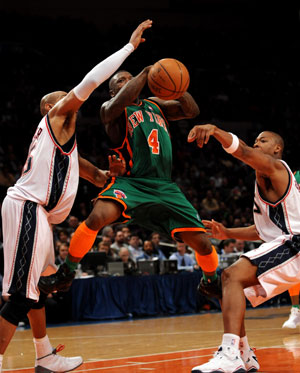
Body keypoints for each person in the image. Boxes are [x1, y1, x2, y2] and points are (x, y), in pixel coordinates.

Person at [0, 20, 151, 373]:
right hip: (27, 209)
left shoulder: (64, 148)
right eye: (63, 97)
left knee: (39, 284)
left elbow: (98, 177)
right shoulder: (57, 115)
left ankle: (45, 356)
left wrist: (111, 176)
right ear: (52, 108)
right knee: (21, 295)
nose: (72, 98)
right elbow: (91, 80)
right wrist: (128, 49)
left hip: (36, 216)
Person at [39, 35, 221, 298]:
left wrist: (175, 83)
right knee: (97, 217)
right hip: (131, 182)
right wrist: (147, 72)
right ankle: (66, 272)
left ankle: (210, 280)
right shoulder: (111, 109)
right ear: (114, 91)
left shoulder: (156, 105)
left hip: (165, 185)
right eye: (121, 80)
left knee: (203, 244)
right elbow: (112, 108)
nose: (130, 80)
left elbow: (191, 110)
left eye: (129, 77)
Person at [188, 125, 300, 373]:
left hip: (296, 244)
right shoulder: (266, 180)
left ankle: (229, 354)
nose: (257, 142)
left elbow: (245, 153)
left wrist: (216, 131)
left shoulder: (276, 167)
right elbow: (261, 231)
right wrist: (227, 233)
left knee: (231, 276)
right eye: (256, 139)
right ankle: (244, 354)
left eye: (263, 140)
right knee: (223, 286)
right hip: (287, 245)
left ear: (277, 148)